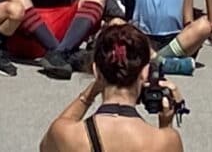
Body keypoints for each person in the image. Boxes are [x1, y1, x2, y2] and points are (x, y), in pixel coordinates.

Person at [38, 22, 185, 152]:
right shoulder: (165, 141)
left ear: (96, 71)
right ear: (145, 72)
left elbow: (45, 147)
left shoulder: (65, 135)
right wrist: (166, 125)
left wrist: (88, 95)